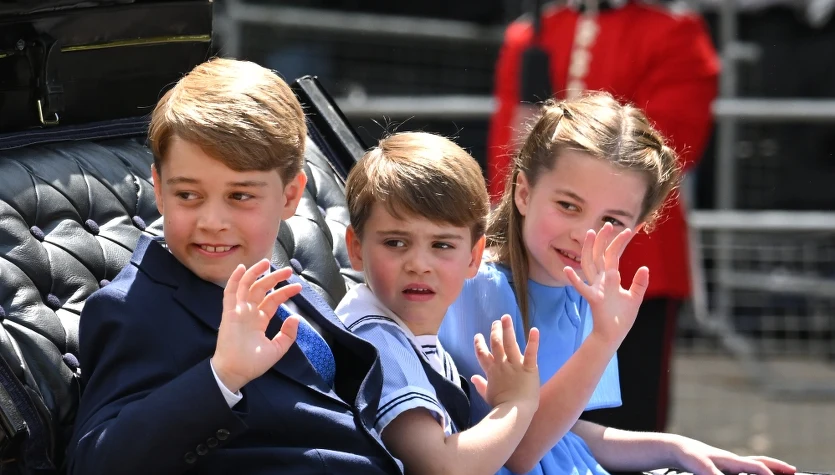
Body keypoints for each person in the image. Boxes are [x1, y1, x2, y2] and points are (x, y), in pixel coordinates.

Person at [67, 58, 403, 475]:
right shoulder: (133, 309)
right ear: (159, 189)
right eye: (188, 195)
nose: (212, 221)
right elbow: (95, 462)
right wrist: (222, 375)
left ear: (290, 196)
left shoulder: (289, 286)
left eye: (240, 196)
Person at [440, 92, 797, 475]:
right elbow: (519, 451)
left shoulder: (587, 297)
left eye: (612, 221)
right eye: (568, 206)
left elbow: (565, 436)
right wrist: (603, 340)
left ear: (636, 230)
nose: (585, 234)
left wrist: (675, 447)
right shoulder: (479, 287)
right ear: (523, 193)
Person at [486, 0, 720, 433]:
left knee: (627, 419)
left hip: (630, 260)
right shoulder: (528, 35)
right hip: (536, 254)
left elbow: (666, 149)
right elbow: (509, 155)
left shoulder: (674, 33)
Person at [336, 131, 541, 475]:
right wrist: (518, 403)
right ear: (356, 248)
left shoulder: (408, 333)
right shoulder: (376, 341)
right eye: (395, 242)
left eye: (442, 245)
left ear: (474, 256)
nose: (419, 264)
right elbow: (442, 467)